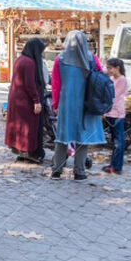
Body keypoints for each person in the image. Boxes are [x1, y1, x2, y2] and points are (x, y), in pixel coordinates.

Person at [51, 30, 105, 181]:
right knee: (82, 138)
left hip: (66, 103)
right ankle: (79, 172)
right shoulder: (92, 59)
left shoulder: (59, 60)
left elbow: (56, 85)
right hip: (86, 104)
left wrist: (55, 104)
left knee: (62, 135)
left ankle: (57, 170)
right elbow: (100, 79)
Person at [4, 38, 47, 163]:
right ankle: (30, 153)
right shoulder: (29, 63)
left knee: (19, 127)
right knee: (28, 127)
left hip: (16, 99)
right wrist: (36, 100)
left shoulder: (20, 59)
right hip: (25, 101)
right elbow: (30, 84)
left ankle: (21, 152)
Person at [103, 58, 128, 174]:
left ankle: (117, 166)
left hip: (117, 112)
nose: (108, 70)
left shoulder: (122, 80)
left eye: (110, 68)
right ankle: (113, 163)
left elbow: (113, 96)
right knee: (114, 140)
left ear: (117, 68)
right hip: (110, 112)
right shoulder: (112, 79)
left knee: (119, 141)